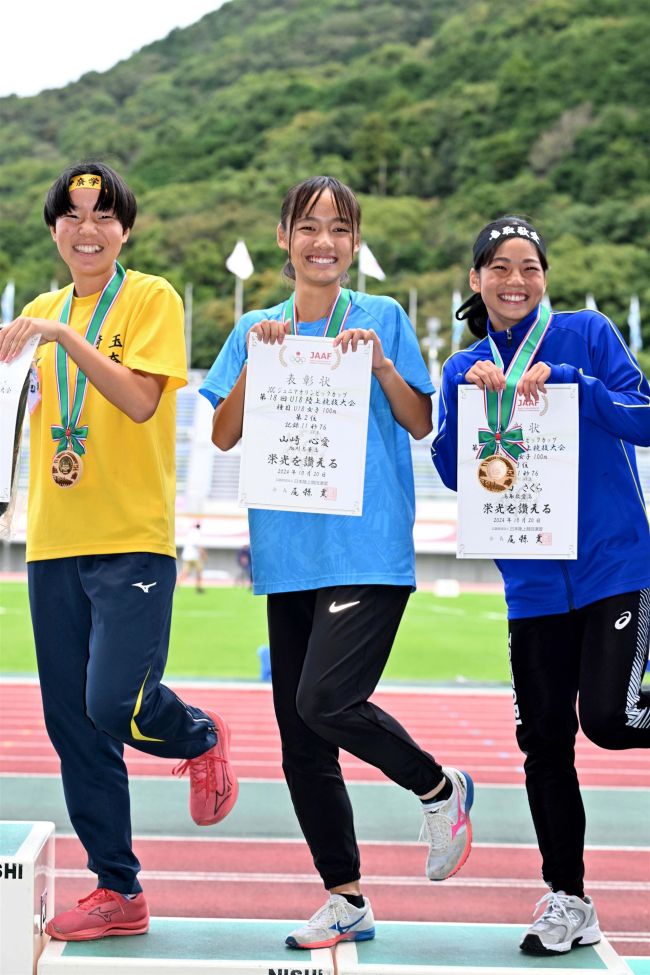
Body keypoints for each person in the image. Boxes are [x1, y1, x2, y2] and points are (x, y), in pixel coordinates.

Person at [200, 175, 474, 950]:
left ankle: (437, 784)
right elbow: (222, 436)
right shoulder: (255, 325)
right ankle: (346, 896)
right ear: (284, 237)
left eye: (341, 228)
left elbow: (420, 421)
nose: (325, 240)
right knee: (300, 739)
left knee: (325, 698)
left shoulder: (381, 315)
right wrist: (260, 362)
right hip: (288, 554)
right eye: (310, 225)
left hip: (366, 547)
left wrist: (384, 366)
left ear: (355, 243)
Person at [0, 161, 238, 941]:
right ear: (54, 230)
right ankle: (118, 889)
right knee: (74, 725)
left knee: (115, 702)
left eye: (104, 215)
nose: (88, 228)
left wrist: (64, 335)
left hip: (131, 539)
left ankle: (199, 733)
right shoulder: (36, 311)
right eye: (72, 217)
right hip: (52, 540)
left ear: (124, 228)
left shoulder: (150, 298)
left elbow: (140, 401)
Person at [431, 215, 650, 956]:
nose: (514, 280)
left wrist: (578, 388)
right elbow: (453, 472)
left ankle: (568, 895)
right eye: (498, 267)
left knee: (612, 720)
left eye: (528, 266)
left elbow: (645, 417)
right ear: (475, 279)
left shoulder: (588, 335)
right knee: (545, 741)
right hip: (530, 582)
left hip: (614, 566)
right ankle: (569, 899)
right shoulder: (463, 368)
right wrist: (471, 404)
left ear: (545, 275)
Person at [178, 521, 207, 592]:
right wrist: (204, 554)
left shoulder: (190, 533)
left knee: (184, 572)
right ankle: (199, 587)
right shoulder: (196, 533)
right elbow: (198, 544)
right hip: (194, 556)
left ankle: (176, 585)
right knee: (199, 572)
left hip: (187, 556)